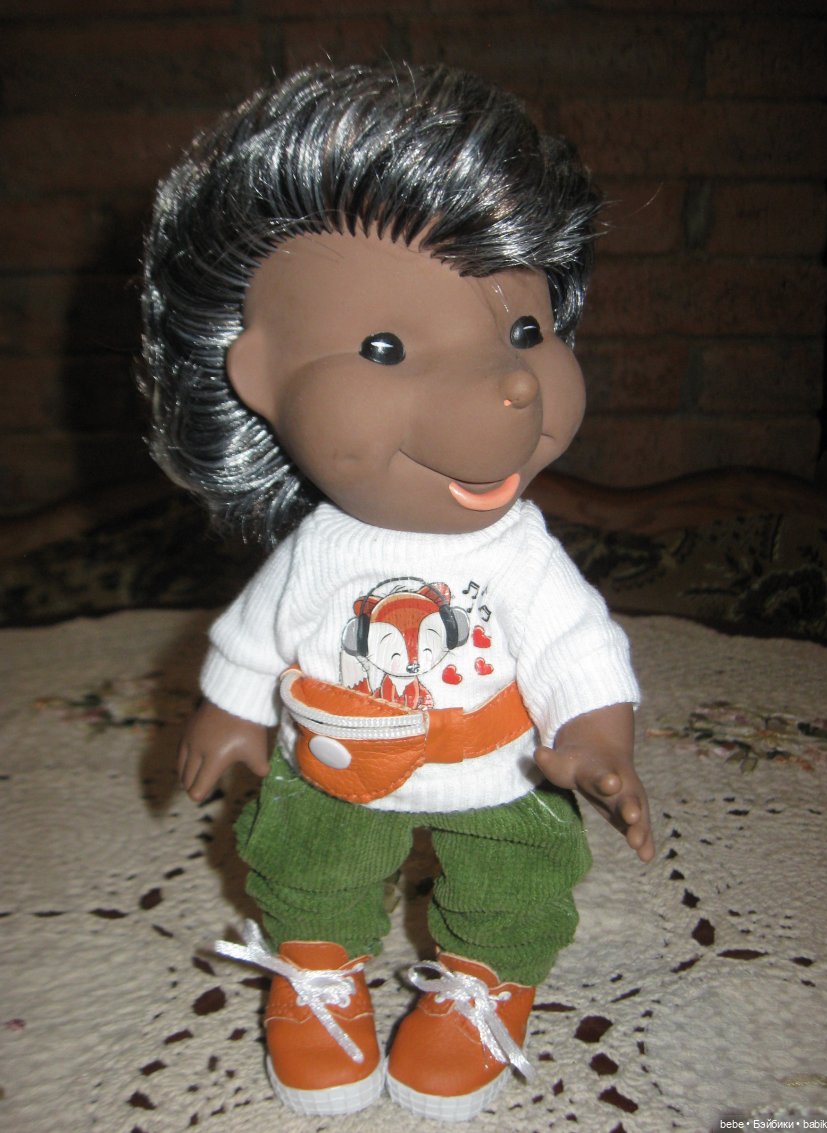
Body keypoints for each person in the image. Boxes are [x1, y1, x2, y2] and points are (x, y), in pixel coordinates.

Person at [141, 63, 654, 1122]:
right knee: (306, 860)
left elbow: (576, 642)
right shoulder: (321, 549)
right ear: (260, 377)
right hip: (338, 762)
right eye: (387, 350)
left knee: (517, 874)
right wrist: (228, 711)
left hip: (499, 764)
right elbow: (253, 636)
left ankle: (485, 981)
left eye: (525, 333)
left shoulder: (519, 552)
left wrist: (595, 734)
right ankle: (317, 968)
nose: (513, 383)